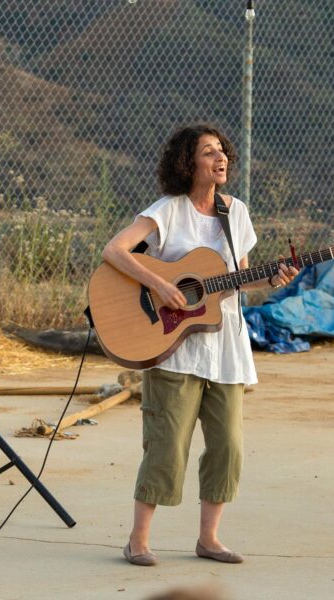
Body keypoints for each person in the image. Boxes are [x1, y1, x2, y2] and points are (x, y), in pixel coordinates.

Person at [101, 125, 298, 567]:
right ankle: (138, 541)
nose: (220, 157)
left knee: (228, 444)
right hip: (173, 345)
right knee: (167, 442)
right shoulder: (167, 211)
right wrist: (162, 286)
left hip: (226, 344)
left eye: (222, 150)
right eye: (209, 151)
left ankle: (209, 538)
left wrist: (274, 277)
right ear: (188, 162)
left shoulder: (236, 212)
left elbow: (241, 276)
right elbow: (115, 250)